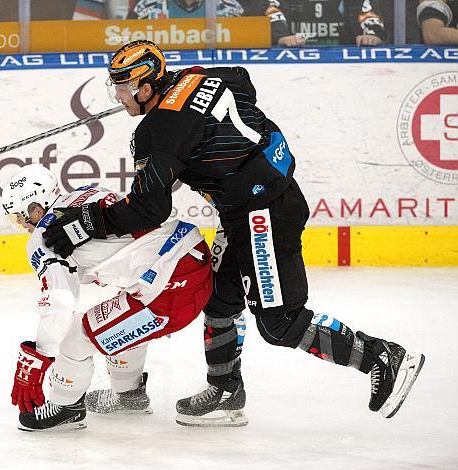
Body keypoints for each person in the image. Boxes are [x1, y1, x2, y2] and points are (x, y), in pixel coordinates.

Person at [43, 40, 425, 426]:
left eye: (123, 87)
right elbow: (243, 81)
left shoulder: (157, 130)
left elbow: (149, 209)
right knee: (220, 298)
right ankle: (226, 389)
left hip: (263, 214)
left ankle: (380, 355)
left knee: (281, 323)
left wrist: (85, 223)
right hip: (258, 203)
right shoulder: (198, 77)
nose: (118, 95)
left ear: (145, 88)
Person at [3, 164, 214, 431]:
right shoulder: (87, 191)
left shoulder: (43, 237)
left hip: (172, 288)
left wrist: (37, 357)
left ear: (35, 209)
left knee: (74, 338)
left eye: (20, 217)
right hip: (192, 255)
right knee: (120, 313)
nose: (21, 225)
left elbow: (61, 302)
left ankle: (66, 407)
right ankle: (128, 397)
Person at [124, 0, 303, 47]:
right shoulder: (147, 6)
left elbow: (267, 11)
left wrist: (279, 37)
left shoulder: (229, 6)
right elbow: (121, 37)